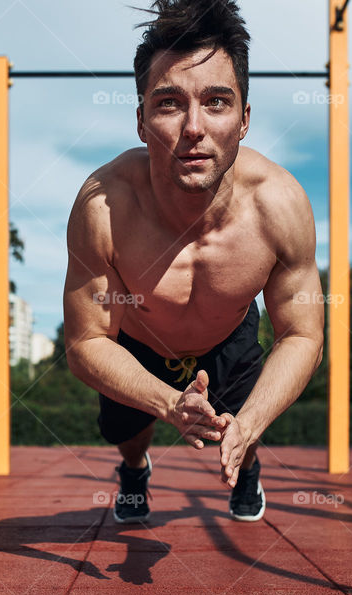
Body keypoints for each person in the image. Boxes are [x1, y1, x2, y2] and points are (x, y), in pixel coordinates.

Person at [62, 0, 324, 524]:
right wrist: (166, 404)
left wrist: (248, 425)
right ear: (140, 120)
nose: (193, 127)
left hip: (228, 334)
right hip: (135, 340)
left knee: (241, 423)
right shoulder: (103, 207)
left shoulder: (280, 205)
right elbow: (86, 342)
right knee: (125, 433)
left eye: (217, 102)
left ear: (244, 119)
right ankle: (135, 469)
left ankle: (245, 464)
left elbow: (303, 334)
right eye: (169, 104)